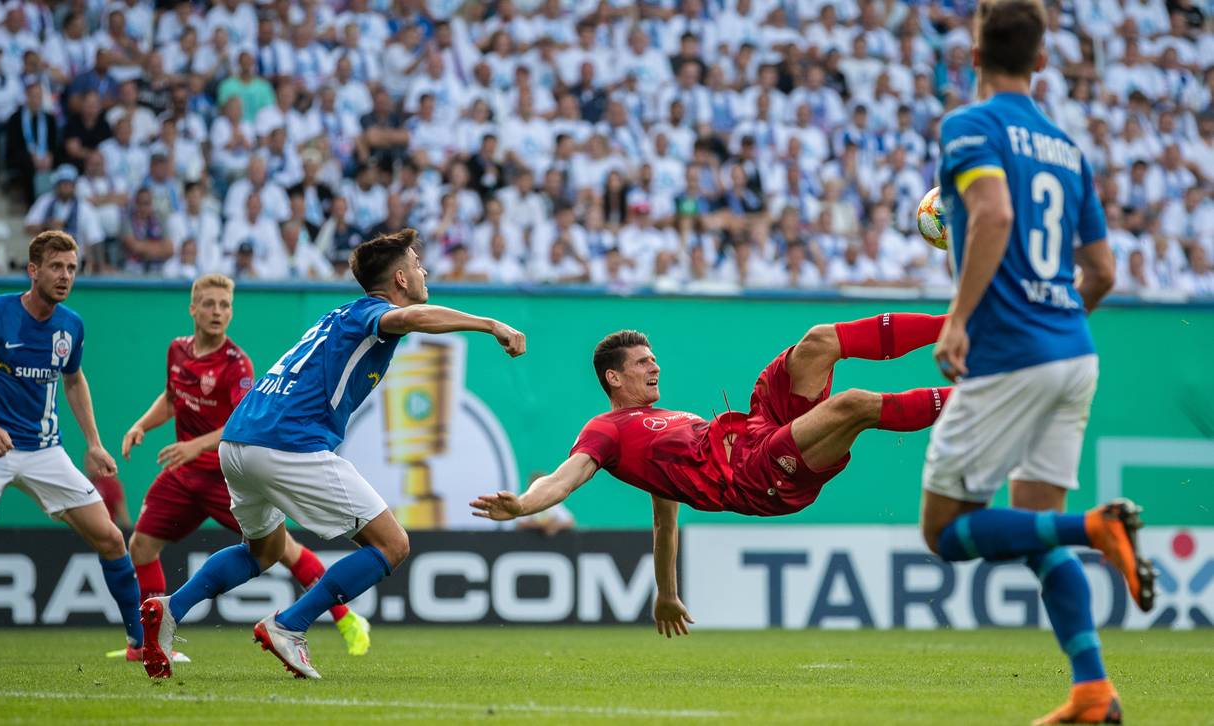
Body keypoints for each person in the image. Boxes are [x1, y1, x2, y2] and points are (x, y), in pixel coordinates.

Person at [140, 229, 526, 679]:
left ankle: (171, 608)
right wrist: (490, 324)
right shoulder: (373, 313)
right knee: (393, 545)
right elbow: (413, 318)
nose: (424, 271)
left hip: (238, 442)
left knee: (262, 552)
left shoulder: (340, 314)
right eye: (417, 264)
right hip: (287, 442)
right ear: (400, 279)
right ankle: (290, 625)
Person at [922, 3, 1153, 723]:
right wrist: (1056, 322)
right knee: (1035, 527)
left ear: (973, 54)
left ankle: (1096, 528)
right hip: (1074, 351)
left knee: (945, 532)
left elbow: (992, 214)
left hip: (1009, 355)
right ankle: (1093, 690)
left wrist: (959, 319)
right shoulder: (1066, 147)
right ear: (1042, 61)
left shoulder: (970, 125)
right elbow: (1104, 272)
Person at [471, 312, 953, 635]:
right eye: (642, 362)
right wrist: (523, 504)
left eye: (654, 357)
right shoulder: (606, 430)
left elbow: (664, 524)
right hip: (757, 476)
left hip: (759, 425)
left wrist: (666, 594)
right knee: (854, 404)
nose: (655, 365)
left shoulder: (660, 427)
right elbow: (564, 478)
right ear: (613, 378)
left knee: (819, 340)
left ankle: (958, 325)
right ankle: (981, 398)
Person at [120, 273, 371, 660]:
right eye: (209, 304)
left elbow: (240, 421)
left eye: (225, 305)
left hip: (224, 473)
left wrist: (193, 446)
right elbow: (172, 398)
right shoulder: (177, 350)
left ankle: (346, 619)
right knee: (140, 545)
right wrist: (141, 425)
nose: (217, 312)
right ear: (193, 309)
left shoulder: (237, 364)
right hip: (184, 475)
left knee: (281, 549)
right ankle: (146, 640)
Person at [0, 231, 141, 658]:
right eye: (56, 267)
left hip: (45, 451)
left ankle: (140, 643)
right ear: (33, 270)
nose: (65, 276)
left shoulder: (71, 325)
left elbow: (74, 380)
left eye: (72, 268)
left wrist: (94, 443)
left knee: (112, 539)